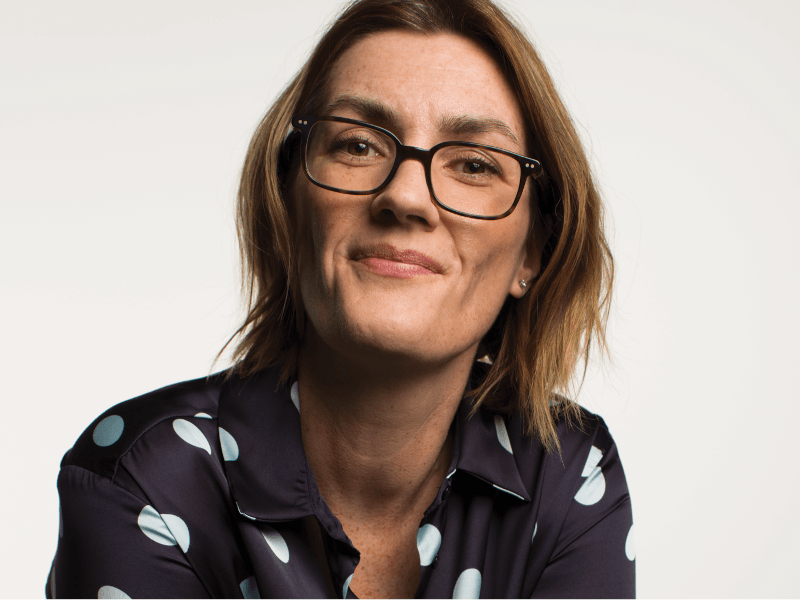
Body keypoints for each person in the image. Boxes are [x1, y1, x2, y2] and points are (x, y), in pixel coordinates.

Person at [46, 0, 634, 597]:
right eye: (357, 146)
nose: (405, 196)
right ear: (289, 206)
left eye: (475, 164)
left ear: (532, 251)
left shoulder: (567, 469)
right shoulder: (143, 478)